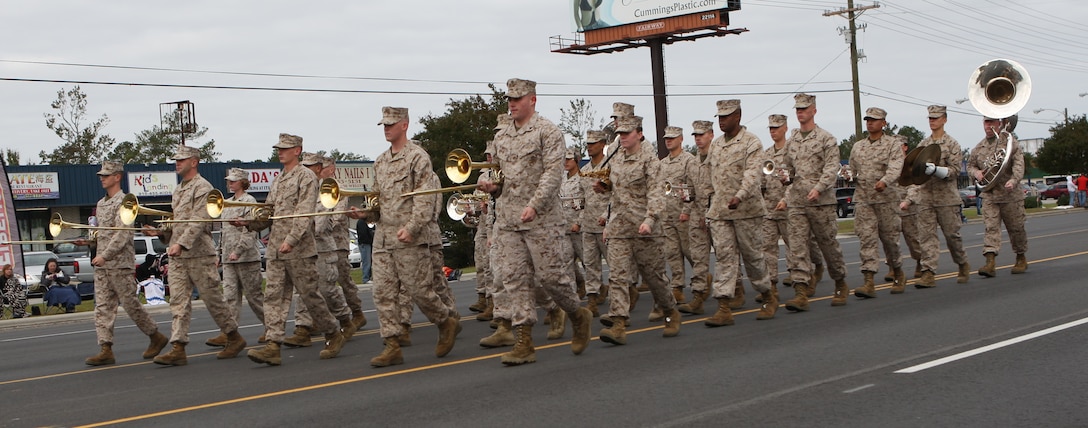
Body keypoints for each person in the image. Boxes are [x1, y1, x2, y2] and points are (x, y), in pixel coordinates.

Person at [477, 79, 592, 364]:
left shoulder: (548, 132)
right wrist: (491, 185)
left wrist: (534, 205)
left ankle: (578, 314)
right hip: (508, 221)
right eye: (509, 99)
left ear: (533, 100)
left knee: (552, 279)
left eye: (518, 98)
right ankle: (523, 343)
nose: (512, 103)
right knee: (515, 279)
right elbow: (500, 176)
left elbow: (553, 175)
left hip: (542, 220)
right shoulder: (502, 137)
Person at [348, 107, 459, 368]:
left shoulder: (417, 158)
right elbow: (378, 199)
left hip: (410, 238)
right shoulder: (380, 161)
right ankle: (392, 345)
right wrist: (366, 213)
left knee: (419, 290)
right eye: (383, 124)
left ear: (404, 125)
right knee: (383, 294)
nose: (386, 128)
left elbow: (424, 198)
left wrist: (412, 227)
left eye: (391, 124)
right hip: (384, 238)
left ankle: (445, 321)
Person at [244, 135, 347, 366]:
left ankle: (332, 331)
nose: (280, 152)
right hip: (276, 250)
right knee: (273, 297)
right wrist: (250, 223)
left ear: (297, 150)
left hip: (299, 249)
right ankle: (273, 345)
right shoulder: (278, 180)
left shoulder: (306, 177)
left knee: (310, 295)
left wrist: (290, 240)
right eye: (279, 149)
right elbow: (269, 212)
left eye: (285, 149)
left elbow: (304, 213)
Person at [142, 146, 245, 366]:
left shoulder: (204, 187)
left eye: (181, 160)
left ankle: (234, 336)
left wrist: (180, 243)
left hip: (199, 254)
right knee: (178, 301)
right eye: (176, 160)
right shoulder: (178, 189)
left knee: (212, 299)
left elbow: (199, 220)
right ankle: (178, 347)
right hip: (178, 256)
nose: (177, 163)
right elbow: (177, 222)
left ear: (194, 162)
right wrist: (162, 233)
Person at [592, 114, 680, 344]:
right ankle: (619, 323)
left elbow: (657, 193)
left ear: (639, 134)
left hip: (645, 228)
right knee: (618, 276)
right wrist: (603, 188)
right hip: (621, 226)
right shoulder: (615, 158)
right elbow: (615, 190)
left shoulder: (650, 161)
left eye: (626, 134)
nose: (622, 138)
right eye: (620, 134)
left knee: (654, 278)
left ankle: (670, 311)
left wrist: (649, 220)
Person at [80, 161, 168, 366]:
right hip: (102, 264)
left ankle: (155, 335)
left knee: (130, 304)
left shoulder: (126, 202)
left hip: (119, 263)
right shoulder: (101, 204)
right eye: (101, 175)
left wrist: (105, 255)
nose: (102, 178)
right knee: (102, 307)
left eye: (106, 175)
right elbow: (102, 234)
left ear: (117, 177)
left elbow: (122, 235)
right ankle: (105, 348)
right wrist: (89, 241)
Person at [704, 100, 777, 325]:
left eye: (726, 116)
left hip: (746, 211)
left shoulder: (751, 143)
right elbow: (708, 176)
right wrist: (706, 206)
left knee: (753, 257)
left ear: (738, 116)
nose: (722, 120)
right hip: (720, 213)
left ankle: (767, 295)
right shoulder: (715, 145)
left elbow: (753, 175)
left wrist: (740, 196)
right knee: (725, 258)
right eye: (719, 117)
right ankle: (724, 307)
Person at [776, 93, 851, 311]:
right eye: (797, 109)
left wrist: (819, 188)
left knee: (828, 246)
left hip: (821, 203)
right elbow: (788, 167)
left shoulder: (826, 139)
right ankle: (801, 291)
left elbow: (831, 168)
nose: (800, 112)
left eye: (804, 108)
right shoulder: (793, 141)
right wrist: (785, 177)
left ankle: (840, 283)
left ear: (814, 111)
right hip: (798, 202)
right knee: (798, 247)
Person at [281, 153, 358, 348]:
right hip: (305, 249)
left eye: (309, 166)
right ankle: (302, 330)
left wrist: (298, 232)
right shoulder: (302, 191)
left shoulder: (327, 191)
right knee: (304, 290)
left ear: (317, 168)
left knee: (327, 290)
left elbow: (322, 223)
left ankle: (345, 319)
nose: (304, 170)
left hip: (323, 249)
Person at [758, 114, 826, 302]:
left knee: (797, 248)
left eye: (777, 128)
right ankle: (771, 287)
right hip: (771, 209)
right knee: (768, 249)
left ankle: (808, 276)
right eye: (771, 128)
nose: (773, 131)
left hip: (791, 207)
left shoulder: (793, 150)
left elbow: (797, 180)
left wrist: (786, 199)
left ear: (786, 128)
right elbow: (762, 181)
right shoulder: (767, 154)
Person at [903, 105, 970, 288]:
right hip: (925, 197)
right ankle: (928, 272)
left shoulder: (952, 144)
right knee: (926, 237)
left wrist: (937, 170)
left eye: (936, 117)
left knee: (951, 236)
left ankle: (962, 263)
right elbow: (913, 173)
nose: (932, 120)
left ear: (944, 119)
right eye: (930, 118)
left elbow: (956, 171)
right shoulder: (923, 145)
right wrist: (911, 196)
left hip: (946, 198)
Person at [848, 107, 905, 299]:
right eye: (867, 120)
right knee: (867, 239)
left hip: (886, 199)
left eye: (874, 120)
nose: (870, 123)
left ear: (884, 123)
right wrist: (848, 175)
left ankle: (897, 272)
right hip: (864, 199)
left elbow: (897, 167)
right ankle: (869, 281)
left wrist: (885, 181)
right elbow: (853, 169)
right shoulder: (858, 147)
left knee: (890, 240)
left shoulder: (892, 144)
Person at [208, 167, 266, 347]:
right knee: (230, 296)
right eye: (229, 181)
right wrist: (219, 253)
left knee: (254, 297)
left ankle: (272, 327)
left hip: (247, 258)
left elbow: (250, 231)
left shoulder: (249, 201)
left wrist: (238, 251)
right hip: (228, 258)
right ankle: (229, 332)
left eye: (233, 180)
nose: (230, 183)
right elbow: (224, 231)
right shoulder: (225, 203)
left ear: (242, 182)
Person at [967, 116, 1028, 277]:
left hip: (1010, 195)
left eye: (992, 122)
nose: (988, 126)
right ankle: (990, 262)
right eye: (986, 122)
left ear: (999, 124)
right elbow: (970, 165)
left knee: (1016, 229)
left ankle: (1020, 257)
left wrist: (1014, 180)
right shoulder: (978, 148)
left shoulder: (1009, 142)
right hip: (990, 195)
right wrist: (976, 173)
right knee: (991, 228)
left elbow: (1018, 163)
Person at [658, 125, 699, 306]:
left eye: (672, 138)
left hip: (683, 214)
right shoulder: (662, 164)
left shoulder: (689, 160)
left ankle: (700, 278)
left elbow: (693, 187)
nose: (669, 140)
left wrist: (687, 211)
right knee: (672, 252)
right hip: (667, 214)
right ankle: (678, 287)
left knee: (690, 251)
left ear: (681, 139)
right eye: (667, 138)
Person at [677, 120, 714, 315]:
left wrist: (710, 214)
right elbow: (690, 190)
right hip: (697, 217)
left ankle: (737, 289)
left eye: (702, 134)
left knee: (726, 257)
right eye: (696, 135)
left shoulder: (718, 158)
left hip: (717, 215)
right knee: (699, 258)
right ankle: (698, 296)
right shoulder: (692, 162)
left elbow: (722, 189)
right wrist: (686, 202)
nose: (698, 138)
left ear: (711, 135)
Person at [579, 129, 611, 318]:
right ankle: (592, 298)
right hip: (589, 226)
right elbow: (583, 200)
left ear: (602, 144)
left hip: (606, 225)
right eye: (588, 144)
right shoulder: (584, 172)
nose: (590, 147)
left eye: (593, 143)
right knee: (590, 264)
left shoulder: (610, 168)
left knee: (615, 264)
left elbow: (616, 196)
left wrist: (607, 216)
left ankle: (620, 297)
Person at [560, 147, 588, 300]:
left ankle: (594, 290)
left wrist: (579, 222)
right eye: (564, 159)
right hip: (564, 227)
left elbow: (587, 202)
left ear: (576, 160)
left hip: (579, 227)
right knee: (566, 262)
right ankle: (573, 291)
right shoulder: (561, 179)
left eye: (569, 159)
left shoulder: (583, 178)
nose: (566, 162)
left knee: (586, 260)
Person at [357, 219, 374, 284]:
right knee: (367, 261)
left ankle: (369, 277)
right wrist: (371, 238)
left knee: (369, 261)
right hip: (365, 244)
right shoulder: (362, 222)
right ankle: (365, 278)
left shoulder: (368, 222)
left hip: (369, 244)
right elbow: (363, 233)